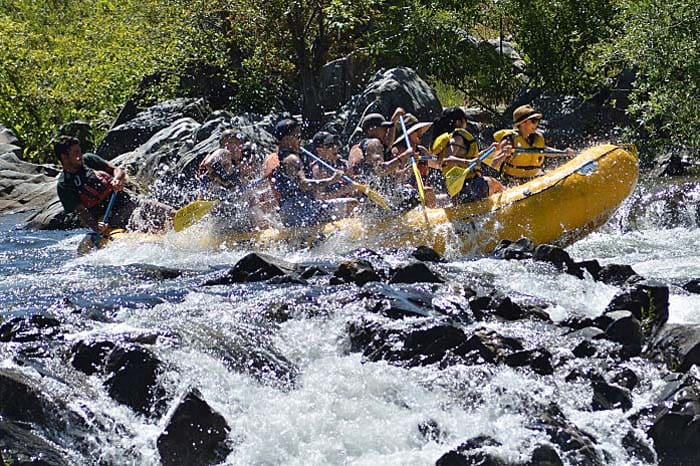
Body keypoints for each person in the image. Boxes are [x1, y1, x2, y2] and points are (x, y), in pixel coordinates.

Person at [55, 135, 174, 234]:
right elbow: (82, 212)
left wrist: (117, 179)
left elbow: (118, 171)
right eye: (76, 153)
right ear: (64, 157)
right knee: (144, 224)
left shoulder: (89, 160)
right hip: (111, 218)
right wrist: (96, 227)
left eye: (80, 151)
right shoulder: (64, 185)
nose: (80, 155)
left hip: (129, 202)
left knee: (168, 213)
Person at [430, 107, 509, 203]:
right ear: (459, 122)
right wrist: (468, 162)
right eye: (465, 120)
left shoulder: (451, 139)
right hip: (468, 186)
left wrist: (489, 149)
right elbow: (447, 159)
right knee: (494, 182)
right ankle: (510, 203)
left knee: (492, 182)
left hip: (460, 190)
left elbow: (473, 158)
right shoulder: (458, 137)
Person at [493, 104, 575, 183]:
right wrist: (504, 154)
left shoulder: (535, 138)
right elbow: (494, 163)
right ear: (523, 123)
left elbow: (545, 150)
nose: (536, 124)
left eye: (537, 121)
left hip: (531, 181)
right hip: (511, 183)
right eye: (533, 121)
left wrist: (563, 152)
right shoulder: (509, 139)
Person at [271, 152, 354, 228]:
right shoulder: (293, 160)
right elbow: (304, 184)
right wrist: (331, 180)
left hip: (288, 213)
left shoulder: (278, 171)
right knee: (352, 203)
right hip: (303, 210)